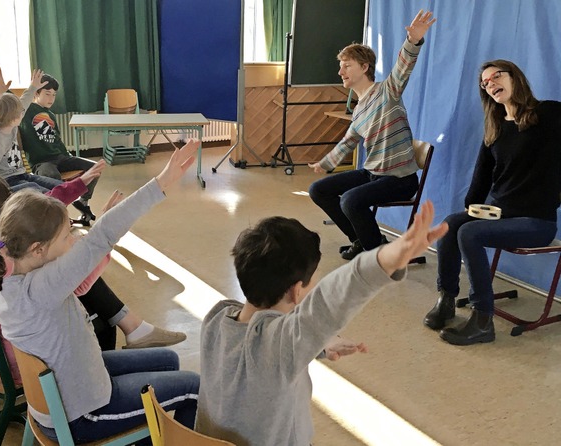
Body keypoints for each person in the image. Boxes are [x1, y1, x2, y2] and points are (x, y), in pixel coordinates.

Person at [0, 140, 201, 442]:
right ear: (38, 248)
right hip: (84, 412)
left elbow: (89, 248)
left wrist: (94, 235)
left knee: (168, 362)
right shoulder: (42, 289)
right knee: (193, 388)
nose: (73, 240)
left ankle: (146, 436)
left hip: (74, 381)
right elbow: (101, 238)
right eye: (66, 235)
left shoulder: (14, 271)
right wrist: (160, 183)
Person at [195, 202, 448, 445]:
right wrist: (387, 258)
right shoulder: (279, 349)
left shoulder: (216, 318)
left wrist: (317, 343)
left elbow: (260, 344)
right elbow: (329, 302)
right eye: (312, 281)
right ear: (296, 292)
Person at [424, 60, 561, 346]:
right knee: (452, 225)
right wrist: (469, 209)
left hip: (536, 221)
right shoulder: (496, 128)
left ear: (515, 77)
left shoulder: (547, 113)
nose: (490, 84)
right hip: (500, 214)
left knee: (469, 233)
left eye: (496, 76)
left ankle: (483, 319)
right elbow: (480, 179)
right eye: (485, 83)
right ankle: (446, 300)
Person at [308, 10, 436, 261]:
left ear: (365, 67)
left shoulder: (388, 91)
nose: (340, 71)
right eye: (340, 66)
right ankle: (363, 239)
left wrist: (414, 40)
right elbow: (348, 142)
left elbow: (404, 66)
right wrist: (324, 165)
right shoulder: (359, 111)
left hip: (400, 179)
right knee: (318, 190)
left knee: (350, 201)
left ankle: (378, 255)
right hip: (373, 174)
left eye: (347, 66)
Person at [19, 72, 98, 225]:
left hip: (61, 157)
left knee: (94, 168)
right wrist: (32, 87)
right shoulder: (26, 110)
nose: (51, 98)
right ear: (36, 93)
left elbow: (57, 140)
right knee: (51, 177)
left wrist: (68, 156)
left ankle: (83, 202)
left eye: (54, 95)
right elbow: (11, 99)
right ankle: (59, 216)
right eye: (47, 94)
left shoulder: (50, 114)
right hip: (41, 162)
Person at [0, 69, 63, 193]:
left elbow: (24, 101)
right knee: (48, 196)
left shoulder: (10, 124)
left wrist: (33, 87)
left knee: (61, 188)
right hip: (7, 181)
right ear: (11, 115)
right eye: (20, 112)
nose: (22, 114)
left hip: (22, 175)